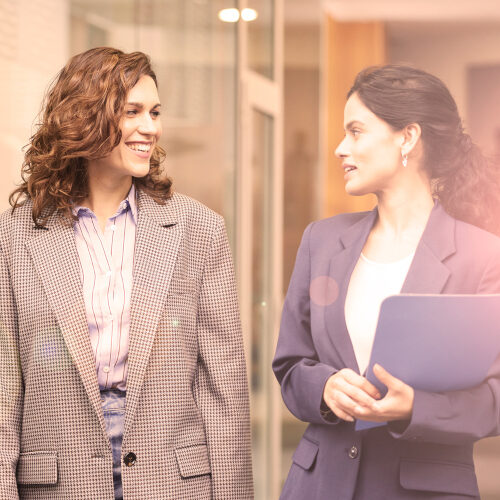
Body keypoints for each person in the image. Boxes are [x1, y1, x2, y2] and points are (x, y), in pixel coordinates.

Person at [0, 47, 253, 500]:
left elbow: (224, 391)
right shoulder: (15, 236)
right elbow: (3, 390)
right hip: (58, 482)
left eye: (155, 112)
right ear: (84, 117)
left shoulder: (200, 230)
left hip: (174, 482)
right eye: (132, 112)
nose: (150, 127)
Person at [273, 64, 500, 500]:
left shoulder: (483, 256)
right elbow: (289, 366)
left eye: (356, 131)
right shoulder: (321, 241)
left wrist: (417, 407)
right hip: (320, 486)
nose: (341, 147)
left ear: (407, 138)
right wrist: (325, 387)